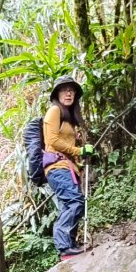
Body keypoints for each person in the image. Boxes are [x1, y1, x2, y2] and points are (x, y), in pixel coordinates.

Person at [43, 75, 95, 259]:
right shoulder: (54, 111)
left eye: (72, 90)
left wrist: (79, 157)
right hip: (58, 167)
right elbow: (52, 141)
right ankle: (64, 246)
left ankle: (68, 248)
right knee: (75, 202)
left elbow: (65, 144)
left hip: (67, 167)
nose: (69, 93)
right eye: (64, 90)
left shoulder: (68, 117)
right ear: (57, 93)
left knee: (68, 205)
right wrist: (79, 150)